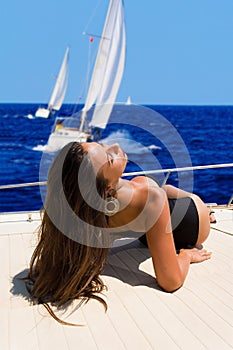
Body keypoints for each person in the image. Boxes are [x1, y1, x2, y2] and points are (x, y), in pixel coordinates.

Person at [25, 141, 212, 325]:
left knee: (159, 190)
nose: (114, 145)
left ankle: (168, 192)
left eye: (101, 144)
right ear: (107, 189)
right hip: (193, 222)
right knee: (159, 192)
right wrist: (186, 256)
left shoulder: (83, 213)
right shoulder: (151, 199)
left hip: (151, 225)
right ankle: (197, 207)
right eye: (109, 157)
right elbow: (171, 281)